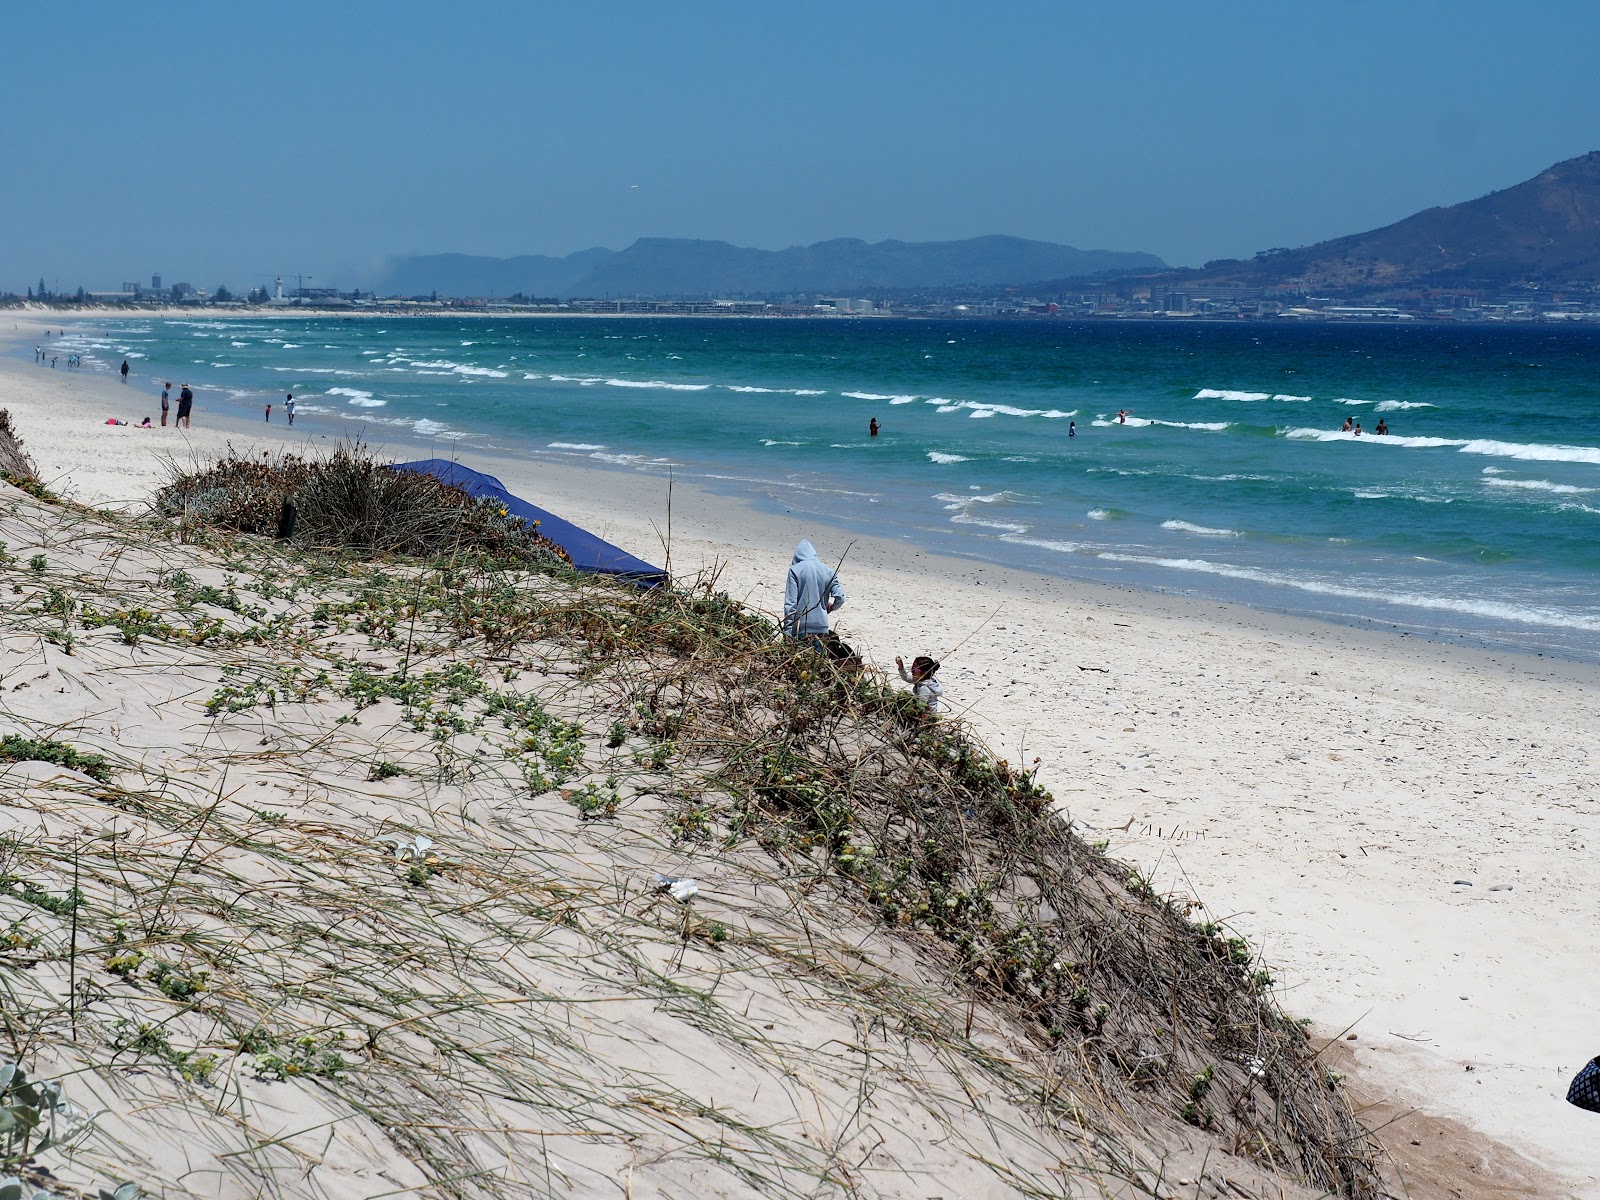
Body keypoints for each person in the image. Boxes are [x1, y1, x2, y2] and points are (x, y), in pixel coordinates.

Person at [783, 540, 845, 649]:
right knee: (817, 663)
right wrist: (832, 607)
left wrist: (787, 631)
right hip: (821, 627)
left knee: (800, 663)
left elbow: (791, 604)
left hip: (800, 628)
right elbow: (840, 598)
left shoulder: (795, 570)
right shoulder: (828, 571)